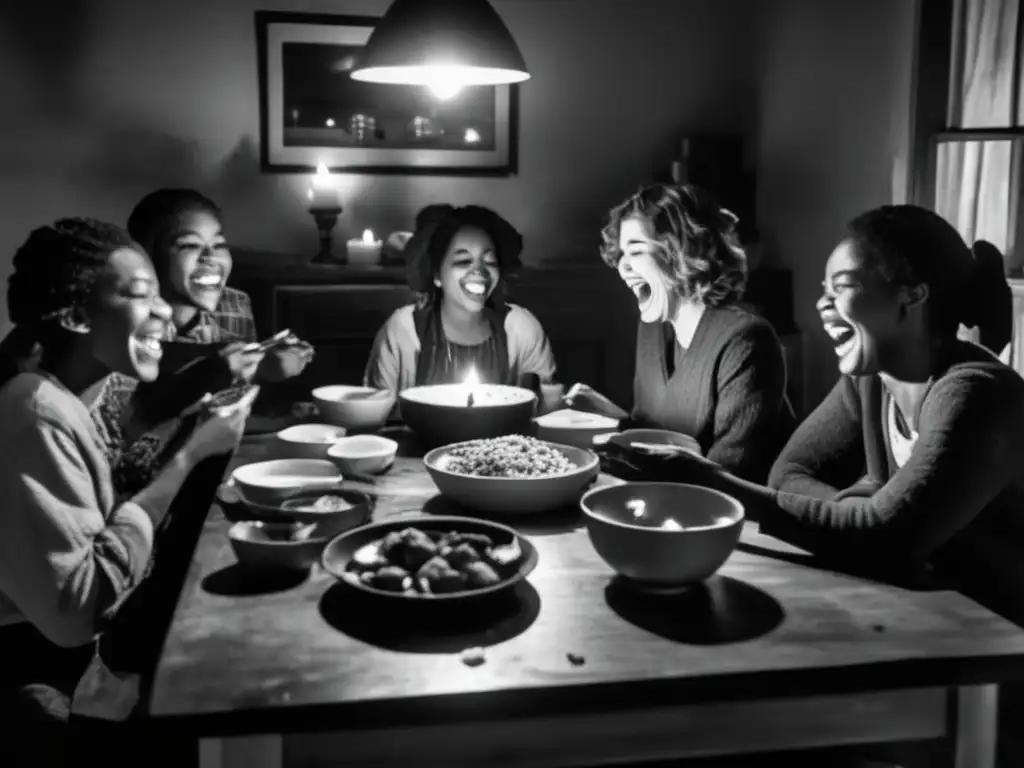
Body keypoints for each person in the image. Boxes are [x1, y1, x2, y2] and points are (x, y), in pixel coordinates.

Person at [604, 204, 1024, 615]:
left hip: (999, 635)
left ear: (911, 296)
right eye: (824, 289)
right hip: (930, 611)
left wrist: (712, 481)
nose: (822, 305)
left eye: (841, 287)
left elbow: (886, 539)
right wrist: (864, 509)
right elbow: (788, 476)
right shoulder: (867, 382)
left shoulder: (973, 395)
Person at [0, 219, 247, 744]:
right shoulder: (33, 410)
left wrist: (204, 408)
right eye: (141, 295)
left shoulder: (86, 389)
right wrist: (190, 455)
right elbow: (76, 615)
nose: (164, 312)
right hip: (38, 666)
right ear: (74, 314)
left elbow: (128, 437)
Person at [568, 184, 795, 483]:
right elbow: (657, 439)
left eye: (636, 250)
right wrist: (615, 418)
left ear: (682, 253)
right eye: (621, 253)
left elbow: (727, 478)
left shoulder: (746, 339)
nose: (622, 267)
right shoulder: (651, 328)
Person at [95, 188, 315, 495]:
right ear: (147, 255)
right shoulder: (129, 321)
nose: (211, 258)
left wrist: (279, 413)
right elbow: (147, 414)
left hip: (211, 473)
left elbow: (225, 413)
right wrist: (235, 370)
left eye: (219, 245)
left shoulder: (235, 307)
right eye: (189, 246)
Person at [365, 204, 556, 394]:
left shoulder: (521, 329)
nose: (479, 271)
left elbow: (545, 410)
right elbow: (376, 411)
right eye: (463, 261)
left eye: (490, 262)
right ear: (437, 275)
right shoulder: (403, 330)